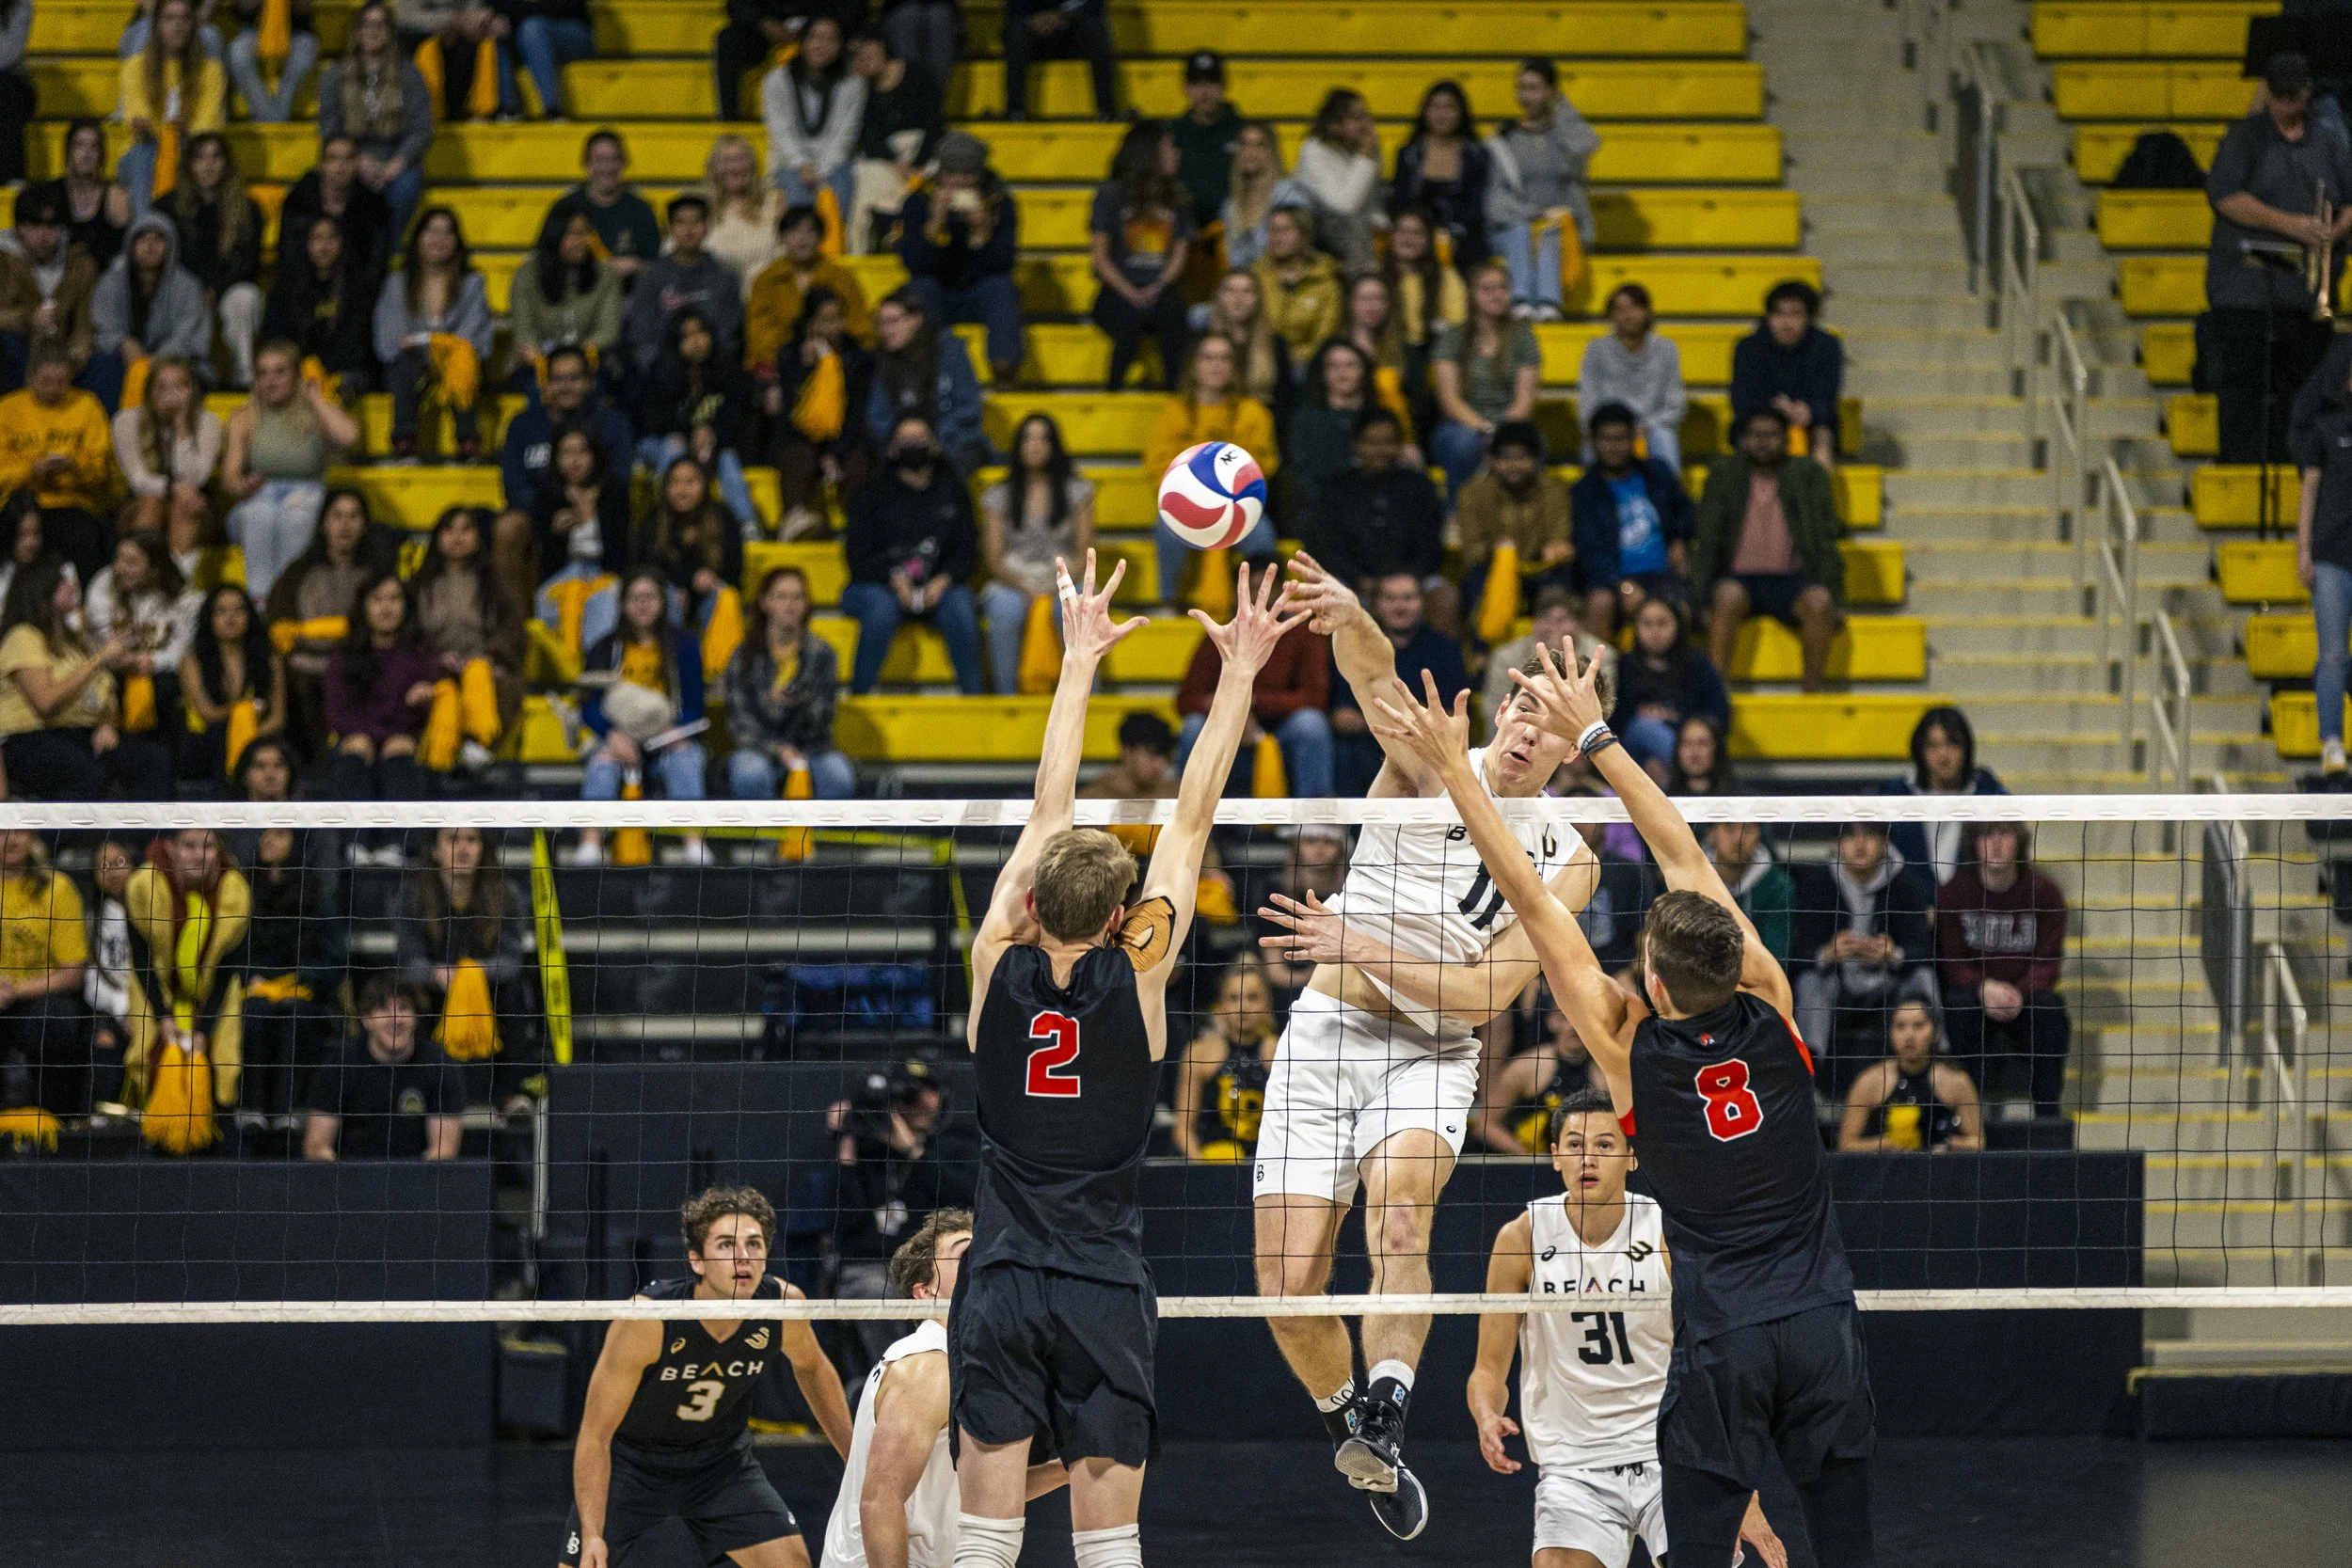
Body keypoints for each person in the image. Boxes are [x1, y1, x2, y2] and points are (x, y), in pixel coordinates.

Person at [1369, 645, 1879, 1568]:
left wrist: (1454, 771)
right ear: (1734, 960)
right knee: (1844, 1535)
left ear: (1651, 977)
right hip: (1818, 1323)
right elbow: (1682, 850)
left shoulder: (1629, 1048)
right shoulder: (1771, 1004)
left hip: (1724, 1340)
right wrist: (1595, 734)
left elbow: (1528, 895)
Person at [1247, 551, 1602, 1541]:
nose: (1530, 723)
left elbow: (1488, 992)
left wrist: (1361, 942)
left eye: (1553, 716)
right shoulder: (1427, 756)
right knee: (1282, 1285)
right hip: (1325, 1031)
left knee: (1400, 1223)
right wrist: (1352, 608)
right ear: (1500, 708)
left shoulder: (1570, 861)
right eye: (1522, 701)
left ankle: (1391, 1411)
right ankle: (1351, 1429)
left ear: (1578, 741)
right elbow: (1372, 673)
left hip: (1431, 1050)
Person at [954, 553, 1292, 1568]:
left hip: (1004, 1275)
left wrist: (1079, 661)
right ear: (1116, 915)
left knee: (982, 1541)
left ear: (1029, 902)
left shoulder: (991, 963)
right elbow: (1191, 817)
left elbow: (1048, 810)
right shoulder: (1138, 975)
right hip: (1101, 1280)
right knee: (1110, 1546)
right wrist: (1236, 671)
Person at [1470, 1086, 1784, 1568]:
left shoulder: (1666, 1232)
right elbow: (1489, 1368)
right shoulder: (1522, 1238)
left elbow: (1713, 1362)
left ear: (1632, 1157)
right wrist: (1488, 1415)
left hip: (1672, 1456)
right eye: (1574, 1145)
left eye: (1604, 1144)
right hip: (1573, 1466)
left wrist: (1737, 1485)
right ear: (1554, 1157)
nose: (1588, 1158)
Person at [564, 1186, 852, 1568]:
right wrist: (593, 1534)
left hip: (720, 1465)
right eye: (726, 1245)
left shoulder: (781, 1306)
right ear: (697, 1261)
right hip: (635, 1467)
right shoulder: (648, 1320)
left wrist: (857, 1458)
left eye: (754, 1244)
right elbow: (595, 1435)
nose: (743, 1258)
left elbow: (813, 1368)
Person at [821, 1209, 1066, 1568]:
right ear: (926, 1292)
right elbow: (880, 1502)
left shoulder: (969, 1363)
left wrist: (1070, 1468)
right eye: (966, 1253)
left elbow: (979, 1486)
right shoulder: (928, 1365)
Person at [2201, 51, 2352, 465]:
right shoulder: (2245, 137)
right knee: (2244, 403)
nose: (2288, 105)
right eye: (2280, 97)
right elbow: (2225, 196)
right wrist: (2293, 226)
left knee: (2305, 403)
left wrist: (2333, 231)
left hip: (2305, 305)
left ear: (2308, 92)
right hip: (2246, 300)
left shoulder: (2329, 139)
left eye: (2296, 96)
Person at [229, 736, 347, 1123]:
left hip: (303, 990)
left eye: (280, 833)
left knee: (297, 1014)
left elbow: (333, 958)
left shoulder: (314, 894)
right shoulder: (243, 893)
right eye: (266, 834)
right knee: (256, 1012)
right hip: (256, 988)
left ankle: (290, 1111)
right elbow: (233, 951)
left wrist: (299, 981)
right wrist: (254, 980)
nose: (269, 838)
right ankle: (250, 1109)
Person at [1692, 407, 1843, 693]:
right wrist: (1699, 599)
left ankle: (1813, 689)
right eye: (1755, 435)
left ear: (1786, 439)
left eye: (1772, 435)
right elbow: (1708, 539)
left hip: (1792, 580)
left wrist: (1836, 596)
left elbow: (1826, 540)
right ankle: (1714, 695)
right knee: (1725, 596)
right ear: (1743, 439)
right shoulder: (1724, 474)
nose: (1763, 442)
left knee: (1821, 602)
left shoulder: (1807, 474)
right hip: (1739, 579)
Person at [571, 569, 712, 866]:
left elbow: (695, 707)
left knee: (686, 758)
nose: (642, 604)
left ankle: (694, 842)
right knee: (602, 763)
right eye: (634, 598)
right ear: (623, 604)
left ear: (663, 602)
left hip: (668, 737)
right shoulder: (605, 647)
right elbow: (588, 706)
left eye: (649, 597)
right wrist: (611, 735)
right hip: (619, 738)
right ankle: (590, 844)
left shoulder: (684, 645)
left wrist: (676, 732)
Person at [120, 828, 248, 1152]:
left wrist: (203, 1028)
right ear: (170, 848)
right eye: (189, 846)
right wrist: (164, 1017)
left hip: (211, 990)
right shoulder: (143, 886)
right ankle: (151, 1132)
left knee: (223, 1056)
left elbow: (227, 972)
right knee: (148, 1048)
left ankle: (218, 1133)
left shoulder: (235, 891)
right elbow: (141, 960)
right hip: (155, 985)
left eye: (208, 847)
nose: (198, 855)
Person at [1789, 820, 1937, 1097]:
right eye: (1849, 836)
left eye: (1869, 834)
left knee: (1922, 977)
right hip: (1837, 982)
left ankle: (1936, 1064)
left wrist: (1894, 954)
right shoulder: (1817, 883)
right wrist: (1827, 953)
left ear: (1885, 841)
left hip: (1889, 982)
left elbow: (1925, 952)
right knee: (1811, 982)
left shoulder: (1907, 884)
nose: (1859, 844)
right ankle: (1807, 1078)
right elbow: (1797, 955)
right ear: (1836, 843)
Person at [1934, 821, 2069, 1118]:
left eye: (2004, 834)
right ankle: (1963, 1117)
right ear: (1974, 843)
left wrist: (2018, 992)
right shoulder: (1954, 893)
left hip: (2025, 999)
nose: (1995, 843)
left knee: (2050, 1009)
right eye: (1986, 834)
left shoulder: (2045, 893)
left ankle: (2048, 1116)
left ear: (2019, 841)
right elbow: (1952, 961)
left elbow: (2049, 962)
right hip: (1975, 997)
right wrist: (1983, 987)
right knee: (1958, 1005)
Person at [842, 416, 984, 694]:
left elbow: (968, 552)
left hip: (940, 589)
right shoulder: (870, 494)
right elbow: (857, 557)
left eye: (920, 439)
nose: (914, 446)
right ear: (892, 448)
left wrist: (944, 579)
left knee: (962, 606)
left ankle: (974, 698)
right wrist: (892, 578)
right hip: (878, 587)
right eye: (905, 440)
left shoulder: (954, 492)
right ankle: (860, 695)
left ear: (934, 446)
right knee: (880, 609)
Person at [391, 824, 531, 1088]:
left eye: (472, 839)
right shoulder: (411, 895)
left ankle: (510, 1094)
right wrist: (436, 974)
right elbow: (408, 960)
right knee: (409, 995)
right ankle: (416, 1091)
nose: (463, 848)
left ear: (483, 849)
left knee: (515, 995)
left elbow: (511, 960)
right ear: (434, 850)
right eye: (452, 839)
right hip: (433, 990)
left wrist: (471, 973)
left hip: (488, 990)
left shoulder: (506, 895)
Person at [222, 341, 358, 604]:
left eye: (280, 372)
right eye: (263, 373)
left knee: (296, 515)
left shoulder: (313, 412)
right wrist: (244, 486)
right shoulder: (244, 417)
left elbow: (349, 437)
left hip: (307, 493)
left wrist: (316, 399)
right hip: (258, 497)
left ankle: (290, 600)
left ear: (296, 375)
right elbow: (229, 479)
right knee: (259, 513)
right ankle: (261, 601)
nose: (270, 381)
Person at [1145, 333, 1277, 605]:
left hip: (1239, 505)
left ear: (1235, 367)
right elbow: (1158, 466)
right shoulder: (1172, 413)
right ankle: (1167, 602)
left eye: (1224, 358)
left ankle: (1260, 606)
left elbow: (1265, 464)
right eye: (1208, 357)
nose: (1216, 365)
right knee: (1165, 527)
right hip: (1186, 506)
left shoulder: (1253, 413)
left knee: (1262, 535)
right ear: (1194, 365)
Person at [324, 570, 437, 863]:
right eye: (377, 599)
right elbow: (337, 714)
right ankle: (356, 842)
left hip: (403, 741)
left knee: (399, 746)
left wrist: (423, 703)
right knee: (359, 745)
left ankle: (398, 845)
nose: (386, 608)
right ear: (364, 606)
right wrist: (374, 738)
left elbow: (428, 716)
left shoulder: (421, 655)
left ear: (406, 605)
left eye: (394, 599)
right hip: (358, 741)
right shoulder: (345, 655)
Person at [1326, 570, 1470, 798]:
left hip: (1427, 750)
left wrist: (1388, 719)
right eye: (1390, 598)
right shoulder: (1359, 647)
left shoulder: (1445, 648)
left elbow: (1454, 715)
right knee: (1346, 755)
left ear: (1421, 602)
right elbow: (1342, 717)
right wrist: (1399, 726)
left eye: (1408, 598)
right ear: (1377, 604)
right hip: (1367, 746)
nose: (1399, 606)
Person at [979, 412, 1094, 695]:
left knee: (1074, 607)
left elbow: (1084, 553)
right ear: (1018, 446)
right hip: (1013, 576)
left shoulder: (1077, 491)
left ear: (1055, 446)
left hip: (1065, 575)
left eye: (1043, 439)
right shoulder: (998, 495)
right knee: (1004, 610)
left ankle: (1083, 697)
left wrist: (1060, 587)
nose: (1035, 445)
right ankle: (1008, 697)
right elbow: (993, 558)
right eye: (1028, 438)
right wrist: (1025, 586)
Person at [264, 486, 382, 757]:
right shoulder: (299, 572)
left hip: (359, 661)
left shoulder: (376, 572)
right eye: (337, 516)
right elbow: (278, 623)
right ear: (323, 523)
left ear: (364, 525)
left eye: (353, 517)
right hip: (303, 664)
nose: (345, 525)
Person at [898, 133, 1024, 387]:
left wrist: (982, 234)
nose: (960, 183)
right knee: (921, 288)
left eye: (968, 175)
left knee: (1001, 289)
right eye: (953, 174)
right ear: (940, 175)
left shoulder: (1000, 204)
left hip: (979, 292)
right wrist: (934, 226)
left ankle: (1005, 370)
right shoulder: (918, 202)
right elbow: (915, 265)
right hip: (937, 293)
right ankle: (924, 371)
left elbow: (1003, 266)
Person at [725, 564, 856, 801]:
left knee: (839, 776)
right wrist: (777, 749)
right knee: (749, 773)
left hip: (812, 748)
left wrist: (796, 703)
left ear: (806, 604)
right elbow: (740, 722)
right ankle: (765, 839)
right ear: (765, 603)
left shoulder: (822, 653)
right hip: (759, 748)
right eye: (781, 597)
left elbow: (824, 716)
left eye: (797, 597)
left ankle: (818, 839)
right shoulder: (744, 655)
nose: (790, 604)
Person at [374, 206, 493, 462]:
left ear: (457, 242)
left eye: (447, 233)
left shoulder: (472, 283)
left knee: (462, 360)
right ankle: (405, 442)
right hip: (411, 363)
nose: (439, 240)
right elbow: (390, 338)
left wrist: (425, 340)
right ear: (417, 238)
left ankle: (468, 441)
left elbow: (472, 336)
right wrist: (438, 342)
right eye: (431, 231)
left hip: (453, 360)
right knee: (403, 364)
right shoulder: (397, 282)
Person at [497, 344, 635, 564]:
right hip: (539, 514)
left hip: (599, 511)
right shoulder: (523, 424)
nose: (566, 386)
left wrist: (585, 508)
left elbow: (620, 476)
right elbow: (514, 485)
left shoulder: (613, 423)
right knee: (508, 527)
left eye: (574, 378)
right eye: (558, 379)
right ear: (545, 383)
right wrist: (551, 510)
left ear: (589, 382)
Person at [1485, 57, 1599, 323]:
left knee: (1549, 233)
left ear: (1551, 91)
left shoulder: (1564, 135)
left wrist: (1561, 106)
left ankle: (1549, 305)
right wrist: (1535, 214)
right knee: (1525, 230)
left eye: (1534, 88)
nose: (1526, 96)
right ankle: (1522, 300)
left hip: (1563, 229)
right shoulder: (1505, 137)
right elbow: (1496, 198)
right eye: (1521, 88)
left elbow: (1587, 144)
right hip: (1515, 227)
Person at [1302, 409, 1448, 616]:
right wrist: (1360, 581)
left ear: (1399, 446)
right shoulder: (1336, 489)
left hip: (1412, 582)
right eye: (1371, 443)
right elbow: (1326, 547)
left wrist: (1406, 580)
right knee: (1325, 599)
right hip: (1352, 584)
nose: (1380, 450)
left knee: (1445, 598)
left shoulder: (1419, 487)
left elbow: (1431, 545)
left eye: (1388, 443)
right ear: (1357, 445)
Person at [412, 506, 523, 770]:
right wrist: (436, 658)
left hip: (487, 664)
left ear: (478, 537)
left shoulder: (497, 583)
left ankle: (480, 744)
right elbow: (408, 634)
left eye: (466, 529)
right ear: (437, 537)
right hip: (434, 666)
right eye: (449, 530)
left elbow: (513, 629)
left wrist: (491, 654)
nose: (457, 537)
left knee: (488, 676)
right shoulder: (417, 585)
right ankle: (436, 759)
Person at [1572, 402, 1694, 638]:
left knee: (1682, 609)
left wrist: (1679, 539)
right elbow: (1589, 552)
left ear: (1634, 439)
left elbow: (1686, 513)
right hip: (1613, 579)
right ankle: (1591, 675)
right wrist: (1621, 586)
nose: (1613, 447)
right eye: (1606, 439)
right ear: (1593, 443)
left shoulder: (1658, 474)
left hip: (1662, 576)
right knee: (1599, 602)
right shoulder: (1585, 491)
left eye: (1620, 439)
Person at [1090, 121, 1196, 393]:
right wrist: (1130, 291)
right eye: (1170, 147)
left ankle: (1175, 394)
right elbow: (1100, 258)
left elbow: (1179, 255)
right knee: (1129, 316)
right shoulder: (1111, 195)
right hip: (1116, 292)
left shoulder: (1179, 196)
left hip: (1162, 290)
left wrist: (1157, 286)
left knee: (1174, 313)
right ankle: (1112, 392)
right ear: (1150, 153)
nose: (1177, 153)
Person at [301, 976, 458, 1159]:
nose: (395, 1019)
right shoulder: (340, 1064)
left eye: (404, 1008)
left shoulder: (438, 1064)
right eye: (384, 1009)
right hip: (351, 1179)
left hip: (416, 1181)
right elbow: (317, 1147)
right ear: (366, 1019)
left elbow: (443, 1151)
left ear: (416, 1018)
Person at [0, 828, 95, 1120]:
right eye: (2, 831)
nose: (11, 839)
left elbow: (73, 973)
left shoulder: (59, 888)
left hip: (37, 999)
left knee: (58, 1020)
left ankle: (56, 1120)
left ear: (32, 838)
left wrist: (14, 990)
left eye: (18, 831)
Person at [316, 4, 433, 240]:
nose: (373, 31)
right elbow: (330, 129)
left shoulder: (409, 74)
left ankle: (381, 256)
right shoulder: (333, 76)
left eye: (380, 25)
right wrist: (355, 161)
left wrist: (396, 164)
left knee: (405, 186)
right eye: (367, 24)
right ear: (357, 31)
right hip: (350, 158)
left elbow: (421, 129)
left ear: (390, 31)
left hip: (396, 159)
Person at [640, 308, 759, 535]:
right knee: (673, 447)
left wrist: (711, 436)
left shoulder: (728, 371)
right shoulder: (660, 373)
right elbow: (655, 421)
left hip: (713, 446)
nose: (696, 341)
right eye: (687, 336)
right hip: (662, 443)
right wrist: (691, 434)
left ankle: (747, 527)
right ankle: (667, 519)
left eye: (701, 333)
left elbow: (734, 418)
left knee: (728, 459)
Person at [1430, 262, 1542, 505]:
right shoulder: (1452, 337)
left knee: (1533, 443)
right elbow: (1449, 399)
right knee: (1465, 444)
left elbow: (1524, 402)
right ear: (1472, 294)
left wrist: (1500, 434)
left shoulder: (1524, 338)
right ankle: (1456, 513)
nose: (1496, 294)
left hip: (1509, 424)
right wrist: (1483, 429)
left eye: (1502, 288)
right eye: (1487, 289)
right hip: (1459, 426)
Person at [0, 351, 117, 583]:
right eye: (46, 382)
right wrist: (31, 471)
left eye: (61, 382)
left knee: (85, 535)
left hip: (72, 502)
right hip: (18, 504)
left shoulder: (87, 405)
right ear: (30, 377)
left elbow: (101, 470)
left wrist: (73, 467)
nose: (54, 389)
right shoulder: (7, 409)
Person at [770, 286, 876, 536]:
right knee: (798, 456)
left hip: (845, 436)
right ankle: (795, 521)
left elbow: (857, 414)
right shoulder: (790, 357)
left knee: (858, 461)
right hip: (804, 437)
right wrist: (807, 371)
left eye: (838, 319)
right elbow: (790, 418)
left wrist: (834, 453)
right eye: (825, 321)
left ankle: (859, 529)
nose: (834, 328)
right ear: (810, 324)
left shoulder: (859, 359)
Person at [2293, 333, 2352, 771]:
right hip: (2331, 557)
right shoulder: (2326, 428)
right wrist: (2303, 551)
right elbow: (2309, 488)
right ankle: (2331, 741)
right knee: (2332, 652)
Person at [88, 212, 212, 413]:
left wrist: (158, 359)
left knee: (178, 375)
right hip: (122, 362)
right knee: (103, 367)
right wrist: (122, 342)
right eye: (143, 238)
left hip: (176, 361)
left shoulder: (188, 286)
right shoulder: (110, 282)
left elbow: (191, 335)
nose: (150, 245)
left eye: (159, 238)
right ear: (131, 244)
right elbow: (100, 327)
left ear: (171, 245)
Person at [1455, 420, 1573, 628]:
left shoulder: (1554, 490)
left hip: (1540, 571)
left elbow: (1560, 538)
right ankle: (1481, 654)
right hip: (1493, 570)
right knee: (1476, 580)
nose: (1513, 465)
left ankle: (1557, 650)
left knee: (1561, 581)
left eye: (1522, 458)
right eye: (1505, 458)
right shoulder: (1472, 493)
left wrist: (1556, 549)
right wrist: (1498, 550)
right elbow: (1472, 551)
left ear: (1536, 460)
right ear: (1492, 460)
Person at [1877, 705, 2007, 893]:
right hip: (1911, 908)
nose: (1943, 755)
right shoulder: (1896, 795)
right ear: (1920, 750)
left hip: (1973, 906)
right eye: (1933, 746)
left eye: (1952, 744)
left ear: (1966, 749)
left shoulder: (1988, 792)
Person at [115, 0, 228, 216]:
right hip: (144, 149)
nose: (177, 26)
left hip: (189, 149)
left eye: (184, 19)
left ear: (193, 25)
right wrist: (167, 133)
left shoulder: (211, 70)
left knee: (200, 158)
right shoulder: (135, 67)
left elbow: (206, 128)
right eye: (169, 19)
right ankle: (148, 230)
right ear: (156, 25)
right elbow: (139, 119)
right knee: (145, 154)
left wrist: (181, 133)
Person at [635, 456, 743, 680]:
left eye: (690, 482)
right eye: (675, 482)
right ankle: (673, 673)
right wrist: (689, 580)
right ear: (665, 487)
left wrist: (707, 583)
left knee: (726, 597)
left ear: (704, 484)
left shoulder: (723, 517)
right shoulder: (654, 520)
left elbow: (734, 572)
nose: (682, 490)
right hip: (670, 598)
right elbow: (645, 569)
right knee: (667, 596)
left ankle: (720, 674)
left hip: (708, 598)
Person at [866, 288, 993, 480]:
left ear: (916, 320)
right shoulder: (882, 359)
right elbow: (877, 415)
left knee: (948, 468)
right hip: (901, 445)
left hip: (952, 441)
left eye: (892, 321)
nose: (886, 330)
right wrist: (900, 435)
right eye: (881, 323)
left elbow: (968, 410)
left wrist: (934, 438)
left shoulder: (950, 352)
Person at [168, 133, 263, 388]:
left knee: (245, 298)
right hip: (186, 290)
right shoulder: (170, 207)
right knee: (187, 299)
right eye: (200, 158)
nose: (208, 165)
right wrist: (196, 290)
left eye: (216, 157)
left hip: (229, 288)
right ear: (189, 165)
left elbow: (248, 265)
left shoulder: (248, 209)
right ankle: (195, 374)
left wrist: (215, 289)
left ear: (227, 163)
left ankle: (243, 379)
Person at [531, 427, 628, 661]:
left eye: (582, 452)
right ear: (556, 458)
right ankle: (568, 667)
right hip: (565, 574)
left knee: (605, 601)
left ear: (595, 455)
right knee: (560, 596)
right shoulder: (548, 494)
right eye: (566, 452)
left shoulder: (613, 492)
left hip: (605, 573)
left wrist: (592, 518)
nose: (574, 460)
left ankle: (597, 667)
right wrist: (554, 534)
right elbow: (546, 564)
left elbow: (620, 555)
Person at [1837, 1000, 1983, 1153]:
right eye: (1900, 1026)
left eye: (1918, 1026)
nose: (1909, 1035)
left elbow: (1978, 1142)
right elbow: (1845, 1144)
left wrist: (1948, 1145)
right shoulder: (1870, 1081)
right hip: (1885, 1173)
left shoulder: (1956, 1082)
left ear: (1936, 1032)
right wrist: (1885, 1144)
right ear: (1890, 1032)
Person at [746, 204, 876, 377]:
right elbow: (759, 335)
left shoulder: (841, 277)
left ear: (821, 236)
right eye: (794, 231)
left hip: (837, 362)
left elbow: (861, 329)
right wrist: (794, 354)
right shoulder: (766, 280)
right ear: (782, 238)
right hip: (780, 364)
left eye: (810, 231)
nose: (803, 239)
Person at [1170, 957, 1280, 1161]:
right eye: (1233, 998)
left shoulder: (1283, 1052)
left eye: (1253, 997)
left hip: (1267, 1167)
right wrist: (1207, 1171)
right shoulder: (1199, 1053)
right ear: (1220, 1004)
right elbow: (1183, 1129)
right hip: (1213, 1163)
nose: (1243, 1007)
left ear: (1267, 1001)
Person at [625, 194, 745, 376]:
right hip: (662, 375)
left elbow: (729, 335)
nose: (689, 230)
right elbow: (642, 335)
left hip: (714, 371)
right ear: (670, 229)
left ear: (707, 227)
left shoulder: (725, 277)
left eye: (696, 222)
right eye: (681, 223)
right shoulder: (651, 278)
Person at [846, 31, 943, 255]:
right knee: (864, 177)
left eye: (866, 47)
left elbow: (935, 125)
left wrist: (918, 164)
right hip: (888, 160)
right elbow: (868, 137)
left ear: (881, 44)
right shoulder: (860, 89)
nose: (862, 56)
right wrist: (896, 164)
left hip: (925, 152)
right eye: (855, 54)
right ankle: (860, 252)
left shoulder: (919, 74)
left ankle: (905, 234)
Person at [1611, 598, 1729, 782]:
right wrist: (1647, 759)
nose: (1654, 632)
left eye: (1662, 623)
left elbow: (1719, 718)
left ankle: (1677, 777)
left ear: (1678, 626)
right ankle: (1680, 778)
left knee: (1695, 742)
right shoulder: (1624, 667)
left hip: (1687, 744)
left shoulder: (1698, 666)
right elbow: (1616, 724)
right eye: (1647, 624)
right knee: (1642, 728)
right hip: (1634, 759)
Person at [261, 217, 381, 397]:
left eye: (331, 238)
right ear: (305, 243)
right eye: (317, 238)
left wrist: (323, 373)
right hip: (297, 372)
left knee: (348, 382)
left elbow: (359, 343)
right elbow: (276, 337)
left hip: (345, 373)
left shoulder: (358, 287)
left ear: (342, 242)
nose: (324, 247)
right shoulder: (286, 288)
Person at [1730, 280, 1844, 469]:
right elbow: (1741, 399)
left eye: (1795, 314)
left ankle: (1817, 496)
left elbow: (1828, 398)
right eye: (1779, 314)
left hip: (1811, 424)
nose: (1786, 322)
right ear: (1768, 317)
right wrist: (1775, 410)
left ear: (1809, 318)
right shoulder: (1748, 347)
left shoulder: (1827, 346)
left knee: (1822, 438)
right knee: (1752, 435)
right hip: (1760, 420)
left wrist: (1808, 411)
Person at [0, 185, 103, 392]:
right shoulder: (3, 261)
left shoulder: (80, 264)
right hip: (19, 352)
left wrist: (69, 363)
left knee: (108, 362)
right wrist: (28, 318)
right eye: (34, 225)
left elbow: (85, 326)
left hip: (64, 356)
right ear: (19, 228)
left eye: (51, 226)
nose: (43, 235)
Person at [111, 355, 219, 548]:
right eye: (162, 387)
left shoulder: (207, 423)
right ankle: (146, 571)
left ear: (192, 390)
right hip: (140, 503)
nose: (171, 395)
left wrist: (182, 426)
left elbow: (197, 478)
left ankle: (179, 575)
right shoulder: (126, 422)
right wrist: (172, 488)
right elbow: (138, 479)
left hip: (193, 503)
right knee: (151, 500)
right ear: (149, 391)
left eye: (180, 387)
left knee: (185, 504)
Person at [178, 583, 283, 782]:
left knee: (271, 750)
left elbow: (278, 717)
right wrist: (243, 712)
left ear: (249, 615)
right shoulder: (192, 660)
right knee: (220, 736)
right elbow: (207, 712)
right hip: (210, 737)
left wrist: (248, 735)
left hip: (258, 735)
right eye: (221, 611)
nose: (230, 618)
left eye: (238, 610)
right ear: (209, 618)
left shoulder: (269, 658)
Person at [764, 14, 866, 218]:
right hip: (790, 160)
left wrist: (822, 170)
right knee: (798, 210)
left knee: (838, 206)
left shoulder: (853, 83)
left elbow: (845, 134)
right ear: (803, 41)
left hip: (836, 161)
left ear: (841, 45)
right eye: (815, 38)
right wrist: (802, 164)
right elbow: (781, 131)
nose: (822, 45)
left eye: (831, 39)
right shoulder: (777, 80)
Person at [507, 208, 624, 383]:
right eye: (573, 234)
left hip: (590, 360)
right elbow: (524, 331)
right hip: (538, 360)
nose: (582, 241)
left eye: (585, 233)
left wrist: (574, 359)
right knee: (537, 387)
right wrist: (544, 360)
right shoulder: (527, 275)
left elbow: (608, 331)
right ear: (555, 236)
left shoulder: (605, 274)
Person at [1580, 284, 1687, 474]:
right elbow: (1587, 404)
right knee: (1592, 441)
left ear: (1647, 312)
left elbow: (1676, 405)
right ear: (1611, 316)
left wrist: (1645, 427)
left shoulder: (1666, 349)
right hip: (1609, 427)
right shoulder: (1596, 350)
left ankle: (1668, 500)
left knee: (1665, 437)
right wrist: (1615, 428)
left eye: (1635, 307)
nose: (1628, 315)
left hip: (1653, 429)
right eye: (1620, 309)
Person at [1476, 995, 1596, 1154]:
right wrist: (1528, 1160)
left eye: (1581, 1019)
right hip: (1529, 1163)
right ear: (1552, 1021)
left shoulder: (1604, 1072)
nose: (1574, 1027)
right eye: (1566, 1018)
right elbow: (1485, 1125)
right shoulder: (1527, 1067)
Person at [545, 129, 663, 286]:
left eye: (613, 159)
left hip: (627, 298)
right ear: (586, 162)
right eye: (599, 160)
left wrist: (636, 266)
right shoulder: (566, 206)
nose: (607, 168)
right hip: (575, 295)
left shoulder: (641, 209)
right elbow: (543, 259)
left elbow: (659, 267)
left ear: (623, 162)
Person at [1391, 81, 1490, 269]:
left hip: (1465, 239)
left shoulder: (1477, 155)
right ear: (1425, 112)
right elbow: (1401, 203)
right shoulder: (1408, 155)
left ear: (1461, 113)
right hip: (1417, 237)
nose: (1441, 114)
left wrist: (1451, 235)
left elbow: (1478, 206)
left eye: (1449, 107)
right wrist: (1428, 236)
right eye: (1435, 107)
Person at [278, 135, 395, 293]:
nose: (340, 167)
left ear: (357, 164)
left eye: (348, 159)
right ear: (321, 165)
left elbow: (375, 265)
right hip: (303, 292)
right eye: (333, 159)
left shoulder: (374, 207)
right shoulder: (298, 203)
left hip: (356, 295)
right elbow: (288, 259)